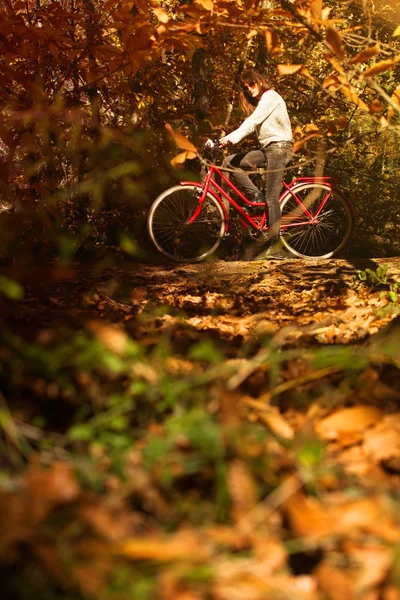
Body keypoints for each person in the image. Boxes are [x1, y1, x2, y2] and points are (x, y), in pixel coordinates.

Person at [219, 69, 293, 259]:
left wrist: (229, 139)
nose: (249, 89)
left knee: (272, 197)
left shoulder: (270, 97)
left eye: (252, 84)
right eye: (246, 87)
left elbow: (252, 122)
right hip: (269, 149)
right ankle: (255, 196)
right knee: (229, 163)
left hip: (279, 148)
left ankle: (277, 247)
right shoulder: (262, 101)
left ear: (259, 81)